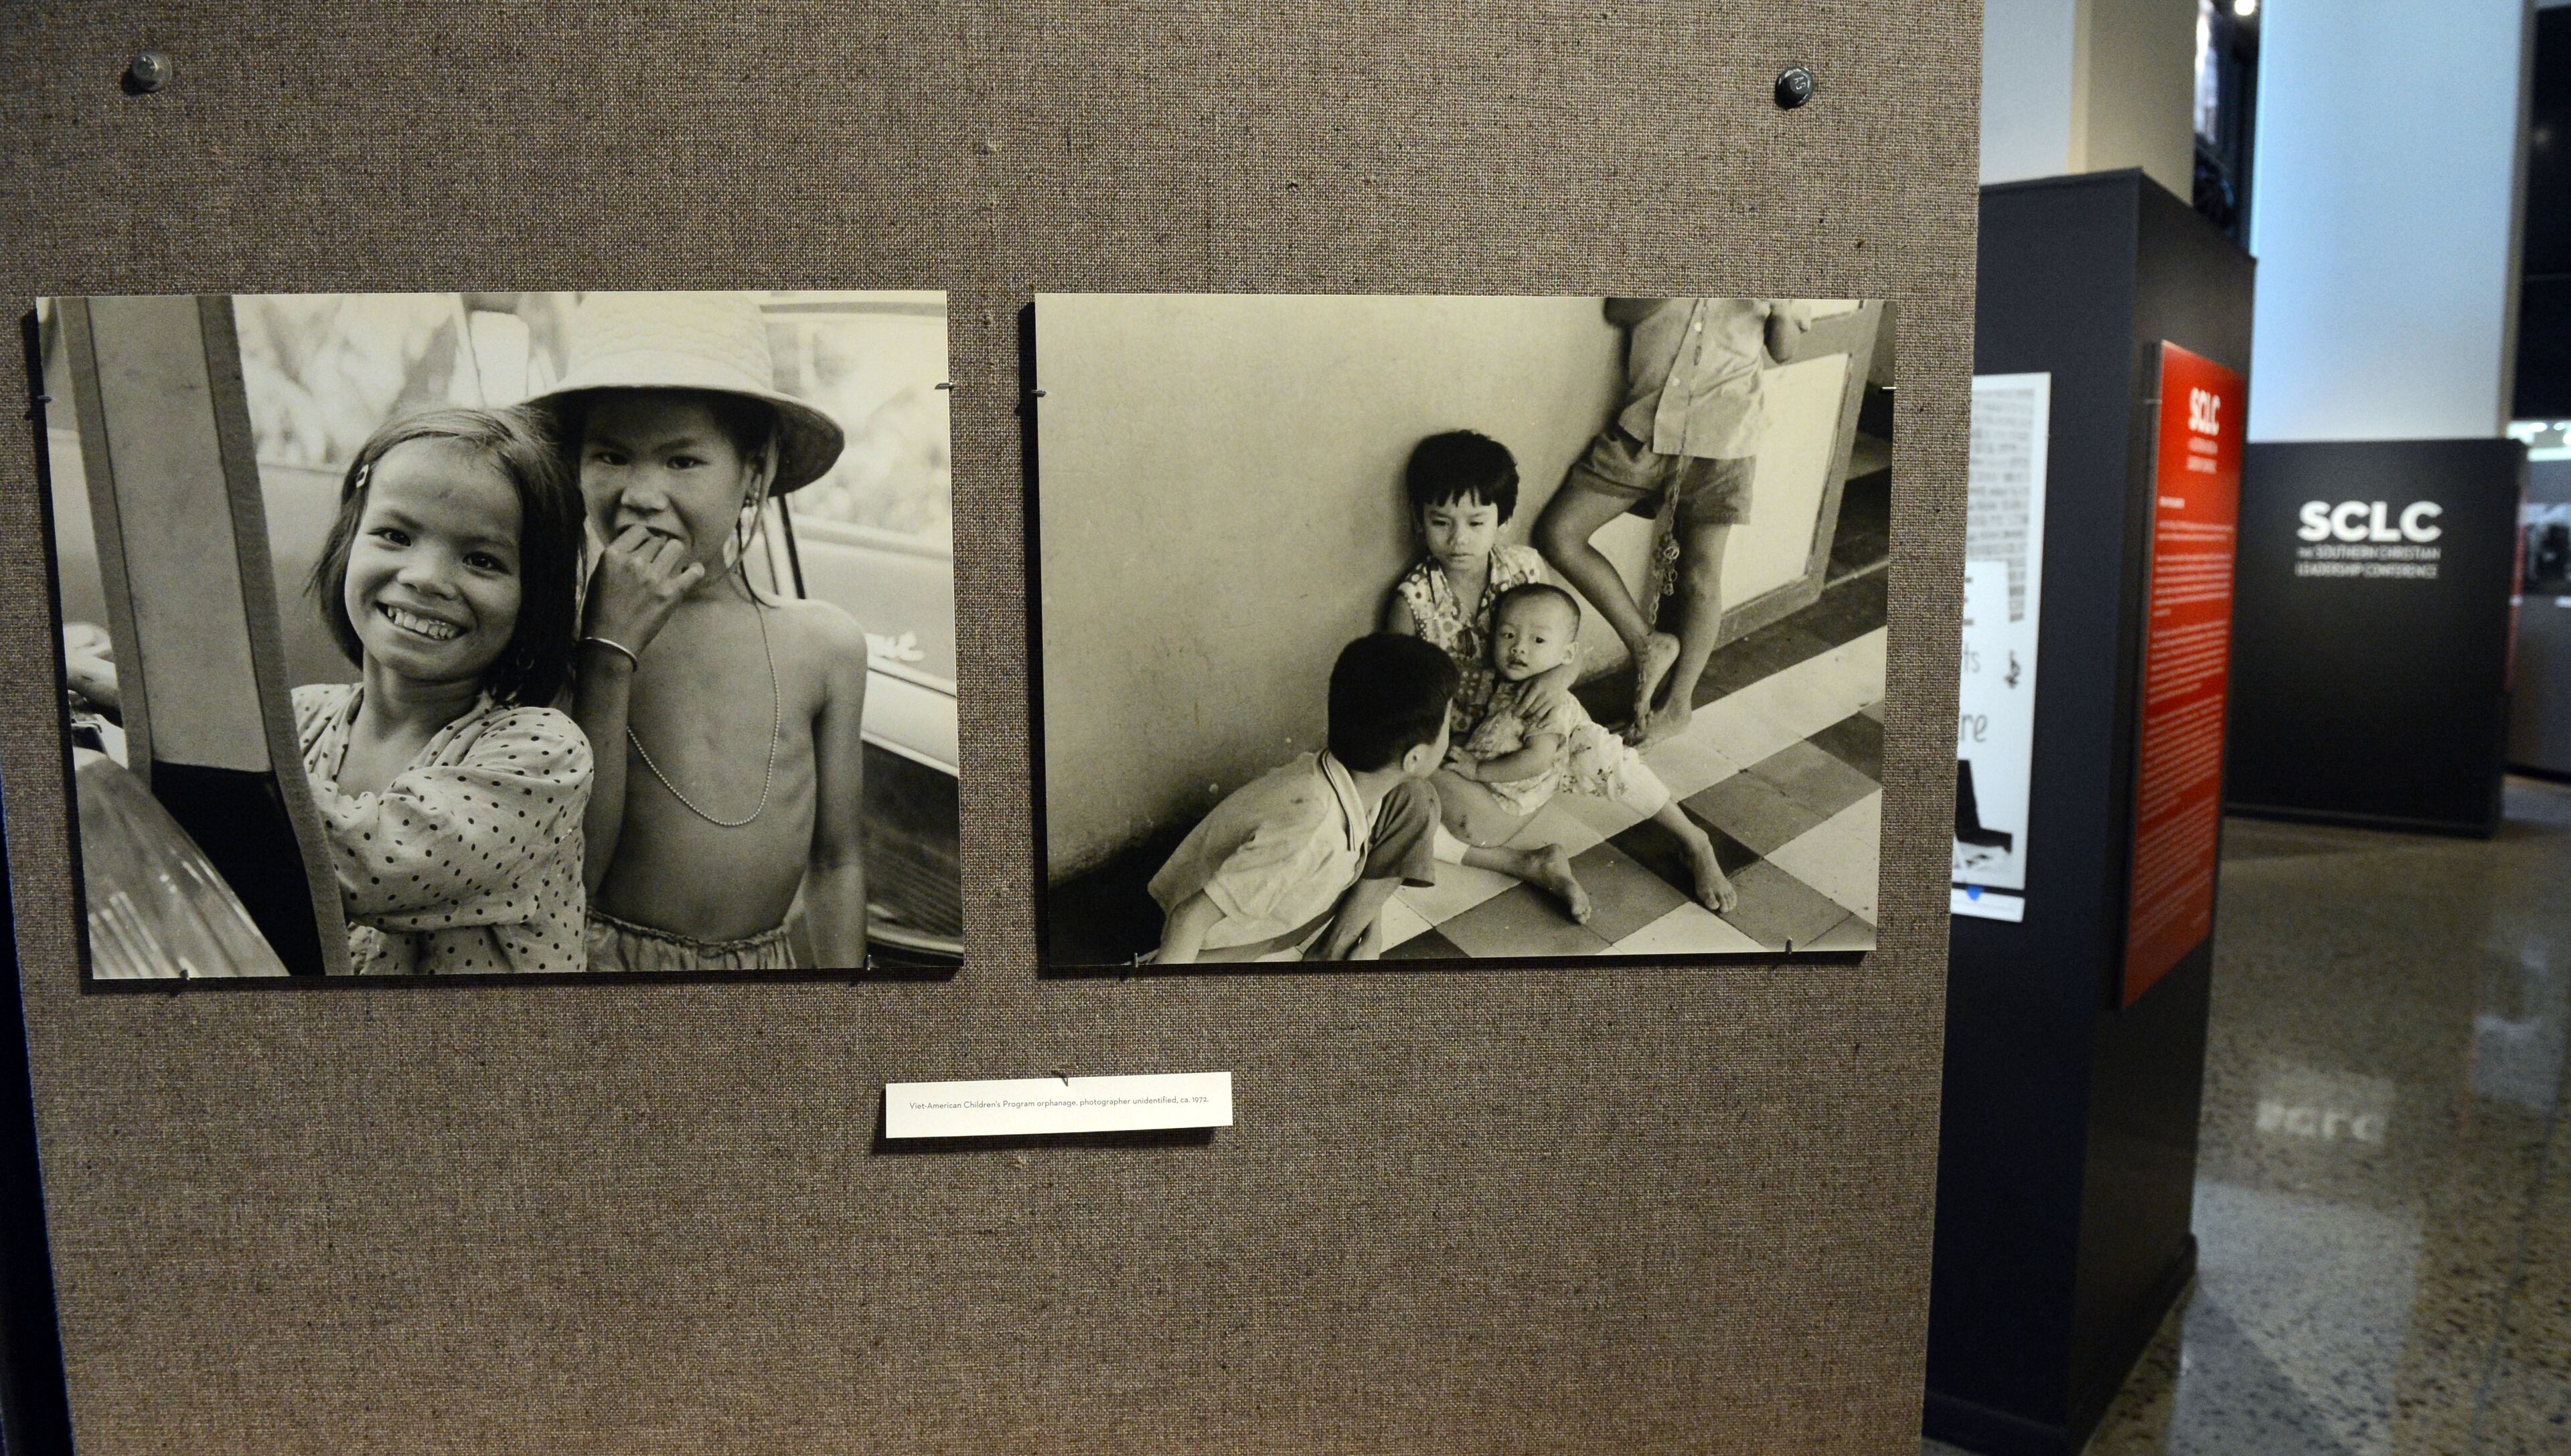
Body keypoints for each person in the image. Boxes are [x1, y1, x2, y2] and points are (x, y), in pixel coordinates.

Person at [533, 293, 871, 972]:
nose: (642, 494)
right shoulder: (553, 635)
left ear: (754, 473)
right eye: (611, 456)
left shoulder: (824, 647)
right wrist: (607, 653)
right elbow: (571, 877)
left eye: (682, 461)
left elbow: (836, 860)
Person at [293, 406, 593, 974]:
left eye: (481, 560)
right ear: (346, 545)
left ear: (534, 598)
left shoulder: (543, 755)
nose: (426, 577)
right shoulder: (299, 717)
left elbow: (366, 863)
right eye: (395, 535)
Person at [1535, 297, 1812, 744]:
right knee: (1560, 533)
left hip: (1724, 435)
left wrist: (1780, 306)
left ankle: (1677, 706)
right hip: (1644, 429)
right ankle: (1646, 643)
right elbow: (1618, 311)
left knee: (1701, 576)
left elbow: (1785, 349)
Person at [1149, 635, 1456, 963]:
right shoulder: (1312, 833)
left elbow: (1367, 847)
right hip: (1211, 934)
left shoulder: (1348, 775)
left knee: (1417, 801)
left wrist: (1372, 931)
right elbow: (1187, 920)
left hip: (1277, 895)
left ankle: (1333, 950)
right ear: (1415, 758)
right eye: (1449, 723)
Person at [1437, 584, 1737, 913]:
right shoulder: (1513, 683)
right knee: (1402, 822)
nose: (1519, 649)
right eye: (1508, 636)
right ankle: (1532, 864)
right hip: (1496, 792)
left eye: (1537, 641)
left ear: (1565, 655)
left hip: (1508, 793)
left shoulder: (1544, 704)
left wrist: (1478, 770)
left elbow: (1536, 760)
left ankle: (1695, 842)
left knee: (1606, 758)